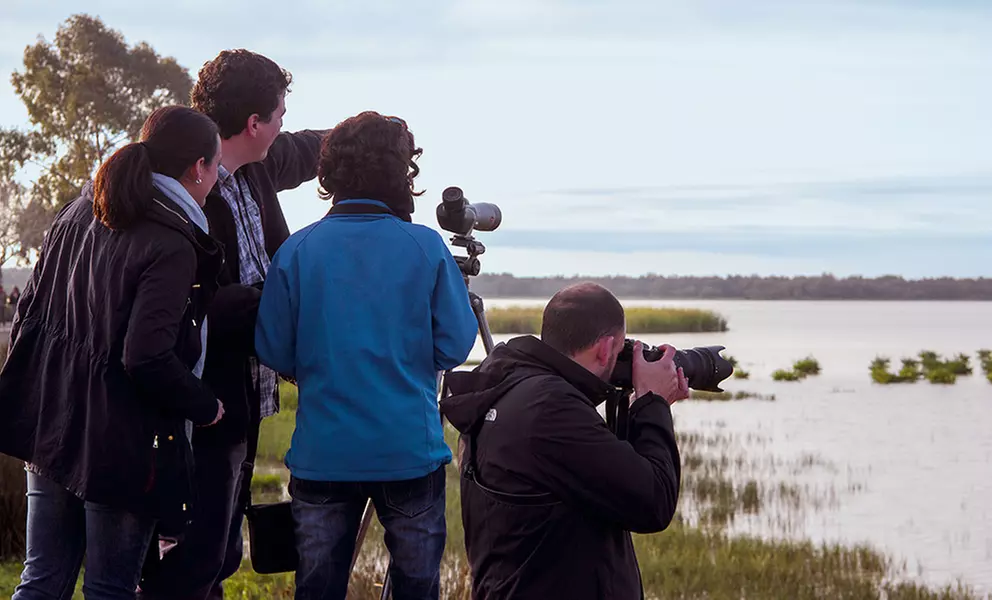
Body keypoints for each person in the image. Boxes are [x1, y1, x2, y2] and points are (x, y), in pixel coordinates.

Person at [0, 105, 227, 600]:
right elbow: (146, 356)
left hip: (52, 424)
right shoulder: (172, 242)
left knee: (41, 580)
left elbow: (27, 315)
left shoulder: (79, 210)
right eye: (215, 167)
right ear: (197, 168)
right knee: (110, 589)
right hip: (121, 444)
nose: (217, 179)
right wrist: (205, 406)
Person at [255, 111, 479, 600]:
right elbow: (456, 345)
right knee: (417, 588)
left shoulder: (296, 250)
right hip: (408, 453)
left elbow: (272, 348)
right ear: (402, 171)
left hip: (323, 456)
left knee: (317, 588)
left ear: (329, 171)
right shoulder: (425, 247)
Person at [137, 49, 329, 599]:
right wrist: (276, 304)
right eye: (279, 117)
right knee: (195, 557)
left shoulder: (256, 167)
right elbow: (187, 305)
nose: (282, 128)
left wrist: (365, 133)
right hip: (204, 400)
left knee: (220, 553)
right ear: (254, 124)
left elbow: (303, 148)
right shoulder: (184, 184)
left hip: (246, 396)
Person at [440, 282, 687, 600]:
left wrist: (632, 404)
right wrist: (654, 402)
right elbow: (654, 501)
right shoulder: (551, 409)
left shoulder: (507, 385)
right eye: (621, 348)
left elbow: (605, 472)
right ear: (605, 348)